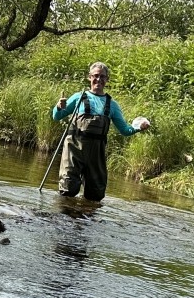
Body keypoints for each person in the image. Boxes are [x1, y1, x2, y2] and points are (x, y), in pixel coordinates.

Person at [51, 61, 150, 202]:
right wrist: (59, 107)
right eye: (96, 76)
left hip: (96, 153)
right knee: (68, 188)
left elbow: (125, 130)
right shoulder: (78, 98)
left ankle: (86, 220)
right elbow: (56, 116)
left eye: (102, 77)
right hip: (74, 149)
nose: (99, 79)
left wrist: (139, 127)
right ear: (89, 77)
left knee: (95, 194)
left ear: (107, 80)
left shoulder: (113, 105)